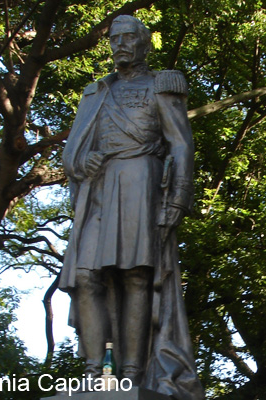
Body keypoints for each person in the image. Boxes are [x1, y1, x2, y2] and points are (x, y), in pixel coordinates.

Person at [58, 14, 204, 400]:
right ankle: (93, 371)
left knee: (135, 275)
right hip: (100, 188)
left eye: (128, 38)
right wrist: (80, 161)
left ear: (143, 44)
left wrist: (178, 197)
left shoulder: (162, 85)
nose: (120, 44)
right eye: (114, 38)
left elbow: (181, 144)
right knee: (86, 275)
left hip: (141, 180)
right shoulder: (95, 92)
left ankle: (131, 373)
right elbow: (73, 148)